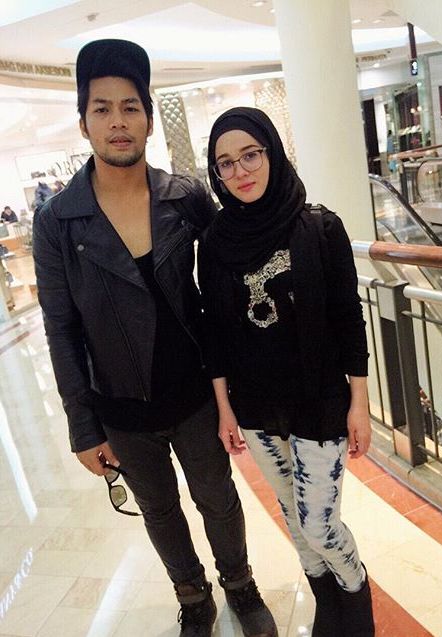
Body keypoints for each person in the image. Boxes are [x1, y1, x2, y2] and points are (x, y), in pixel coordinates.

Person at [33, 40, 276, 637]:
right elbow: (61, 327)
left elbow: (228, 276)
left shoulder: (183, 196)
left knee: (217, 499)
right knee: (160, 511)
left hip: (194, 394)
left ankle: (240, 584)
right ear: (84, 121)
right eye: (102, 108)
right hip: (119, 405)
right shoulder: (58, 220)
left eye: (130, 107)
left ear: (147, 118)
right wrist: (82, 426)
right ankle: (193, 597)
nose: (117, 121)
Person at [198, 107, 375, 637]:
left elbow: (348, 318)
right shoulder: (215, 243)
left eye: (250, 155)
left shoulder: (320, 227)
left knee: (319, 523)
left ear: (272, 152)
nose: (240, 171)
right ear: (216, 173)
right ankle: (328, 607)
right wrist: (225, 407)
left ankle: (356, 602)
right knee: (295, 520)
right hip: (255, 406)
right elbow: (215, 331)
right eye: (225, 163)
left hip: (318, 400)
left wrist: (360, 402)